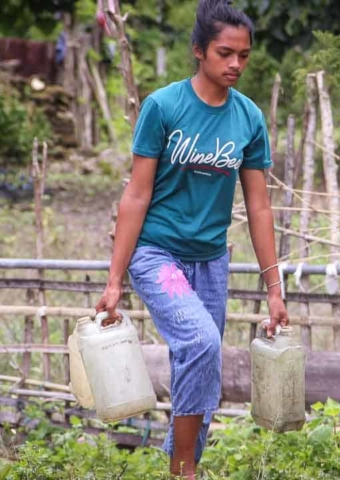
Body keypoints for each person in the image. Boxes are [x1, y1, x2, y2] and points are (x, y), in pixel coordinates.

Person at [95, 0, 290, 477]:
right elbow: (136, 195)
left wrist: (274, 289)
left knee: (199, 363)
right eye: (225, 53)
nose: (236, 64)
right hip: (157, 254)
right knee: (202, 342)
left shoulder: (248, 118)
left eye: (243, 55)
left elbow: (259, 207)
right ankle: (185, 468)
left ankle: (183, 466)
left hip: (211, 260)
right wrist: (115, 280)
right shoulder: (164, 107)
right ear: (199, 51)